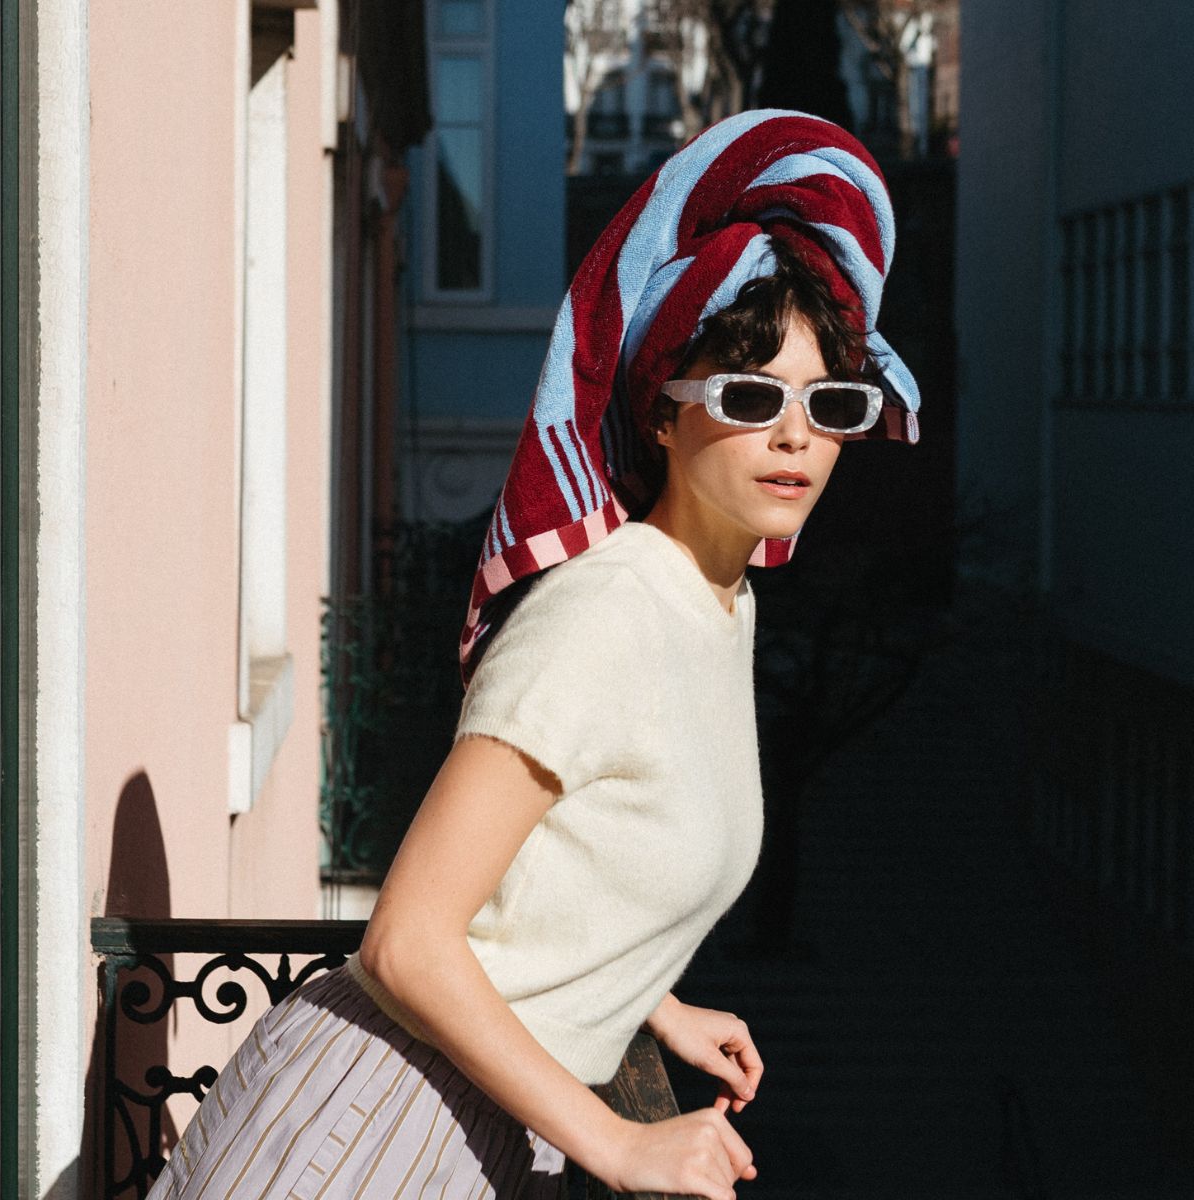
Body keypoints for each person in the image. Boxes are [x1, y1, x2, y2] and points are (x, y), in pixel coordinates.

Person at [147, 109, 919, 1200]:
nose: (795, 437)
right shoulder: (607, 609)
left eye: (829, 403)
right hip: (379, 1116)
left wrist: (647, 1000)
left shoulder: (716, 603)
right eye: (749, 397)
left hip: (478, 1116)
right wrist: (621, 1142)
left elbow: (566, 858)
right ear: (662, 414)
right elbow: (407, 940)